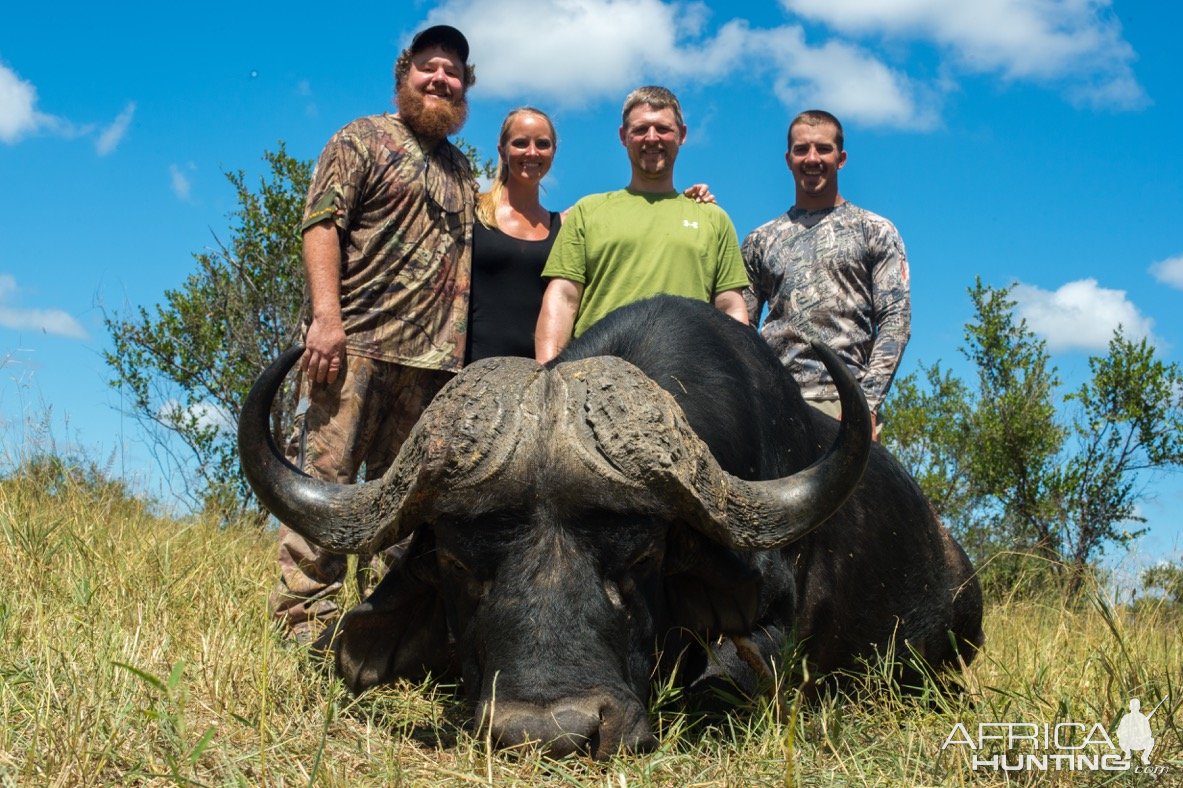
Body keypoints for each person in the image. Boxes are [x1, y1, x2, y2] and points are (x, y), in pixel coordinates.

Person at [270, 24, 478, 643]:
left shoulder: (462, 171)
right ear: (403, 74)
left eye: (452, 73)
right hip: (353, 350)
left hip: (433, 370)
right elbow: (321, 222)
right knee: (322, 494)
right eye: (429, 68)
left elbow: (522, 223)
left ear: (466, 87)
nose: (440, 79)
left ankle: (388, 635)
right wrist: (325, 319)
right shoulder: (361, 138)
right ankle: (304, 632)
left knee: (411, 515)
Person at [534, 85, 749, 363]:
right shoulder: (589, 210)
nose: (651, 138)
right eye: (640, 129)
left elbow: (730, 307)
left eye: (663, 129)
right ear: (624, 137)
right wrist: (547, 375)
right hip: (596, 373)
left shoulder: (713, 218)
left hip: (689, 376)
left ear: (681, 135)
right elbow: (563, 297)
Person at [742, 109, 910, 439]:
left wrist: (867, 404)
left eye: (823, 149)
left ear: (841, 158)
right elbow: (741, 328)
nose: (812, 158)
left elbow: (895, 321)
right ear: (788, 159)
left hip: (844, 402)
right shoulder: (759, 240)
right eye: (802, 149)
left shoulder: (874, 230)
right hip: (774, 402)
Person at [466, 107, 562, 362]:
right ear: (502, 151)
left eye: (542, 144)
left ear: (554, 151)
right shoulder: (471, 213)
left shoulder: (562, 226)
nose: (532, 152)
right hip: (470, 372)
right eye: (520, 143)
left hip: (536, 372)